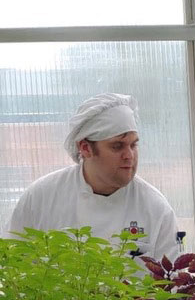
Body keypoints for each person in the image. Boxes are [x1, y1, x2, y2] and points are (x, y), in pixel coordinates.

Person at [5, 93, 179, 262]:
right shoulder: (41, 198)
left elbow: (172, 283)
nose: (129, 155)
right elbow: (10, 263)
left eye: (133, 145)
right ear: (85, 148)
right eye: (117, 146)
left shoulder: (155, 208)